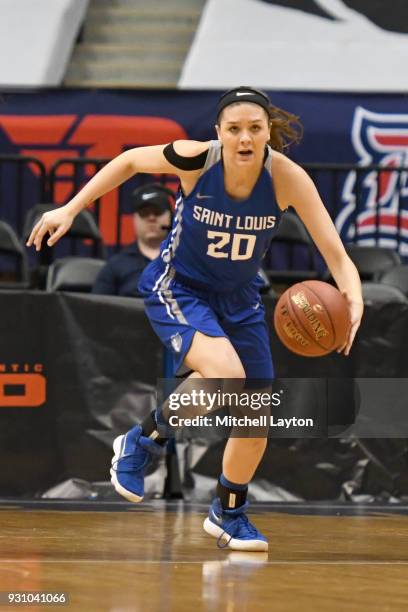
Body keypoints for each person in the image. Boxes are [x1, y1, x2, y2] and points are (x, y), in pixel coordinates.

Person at [27, 86, 363, 552]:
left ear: (268, 132)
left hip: (240, 298)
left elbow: (337, 255)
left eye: (255, 128)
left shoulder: (287, 177)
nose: (245, 138)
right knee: (226, 374)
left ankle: (228, 513)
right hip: (179, 285)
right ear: (219, 133)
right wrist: (68, 208)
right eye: (234, 129)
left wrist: (353, 295)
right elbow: (127, 162)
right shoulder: (194, 160)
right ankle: (140, 441)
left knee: (255, 414)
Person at [92, 183, 173, 297]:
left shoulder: (187, 261)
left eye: (157, 212)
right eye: (144, 213)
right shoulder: (117, 264)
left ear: (171, 216)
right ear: (135, 219)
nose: (151, 218)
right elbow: (96, 308)